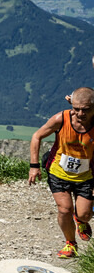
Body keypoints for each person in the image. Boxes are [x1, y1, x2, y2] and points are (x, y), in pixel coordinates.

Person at [28, 87, 94, 258]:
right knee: (64, 209)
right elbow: (36, 136)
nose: (80, 113)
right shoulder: (61, 119)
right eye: (76, 108)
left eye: (85, 110)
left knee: (85, 214)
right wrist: (34, 166)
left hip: (86, 176)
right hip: (58, 173)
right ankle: (70, 243)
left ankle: (80, 220)